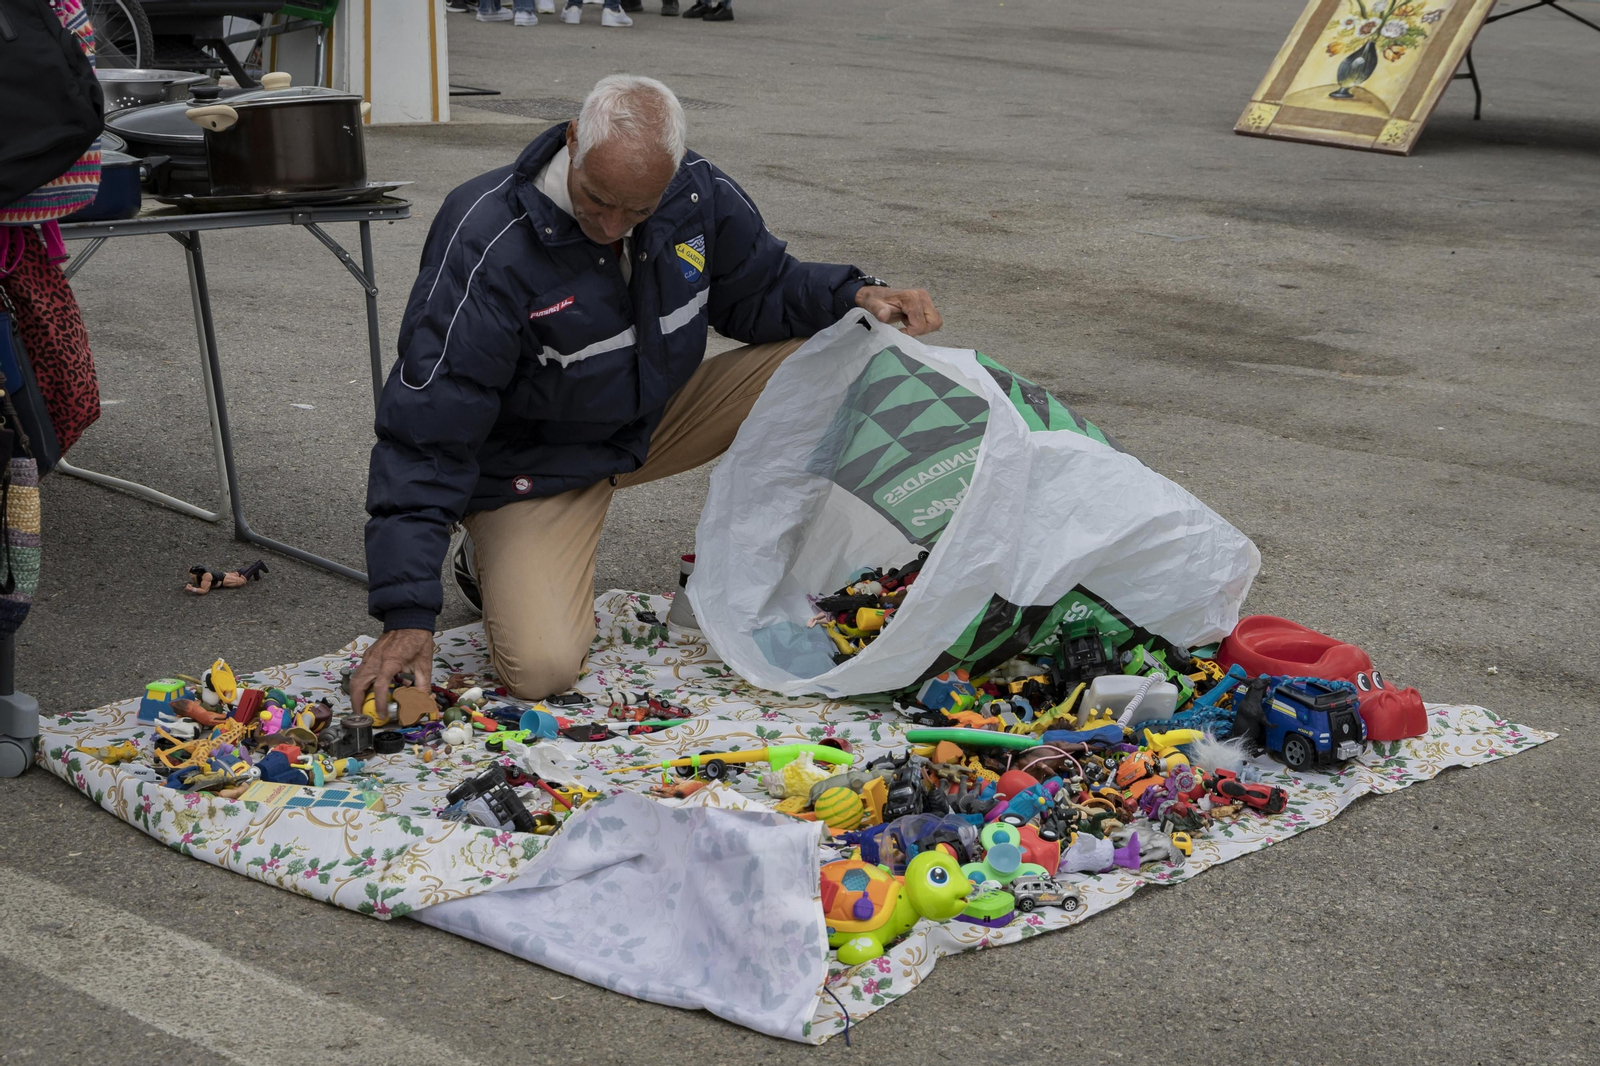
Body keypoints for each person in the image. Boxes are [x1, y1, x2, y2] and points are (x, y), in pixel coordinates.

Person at [349, 75, 940, 714]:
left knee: (848, 349)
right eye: (597, 199)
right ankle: (488, 550)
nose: (610, 226)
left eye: (637, 211)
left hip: (646, 419)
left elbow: (761, 290)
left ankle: (820, 577)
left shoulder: (695, 189)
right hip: (531, 466)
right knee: (542, 669)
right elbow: (428, 431)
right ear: (573, 142)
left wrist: (857, 295)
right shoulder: (488, 238)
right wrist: (408, 614)